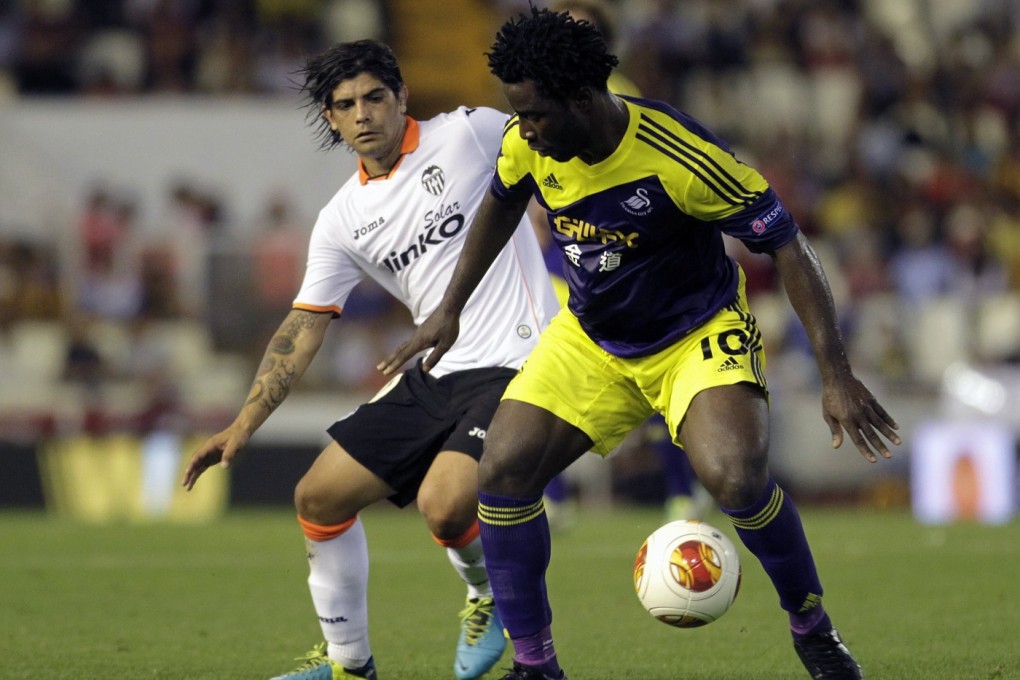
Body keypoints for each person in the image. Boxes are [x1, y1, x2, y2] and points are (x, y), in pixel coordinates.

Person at [380, 8, 901, 680]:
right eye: (519, 114)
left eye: (535, 113)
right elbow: (504, 200)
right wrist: (448, 310)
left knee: (736, 477)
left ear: (581, 97)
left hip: (694, 333)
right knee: (502, 471)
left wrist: (836, 374)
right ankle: (537, 667)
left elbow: (787, 243)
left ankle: (813, 630)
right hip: (593, 338)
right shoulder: (528, 143)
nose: (525, 130)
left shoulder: (676, 155)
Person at [182, 39, 558, 680]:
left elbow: (559, 143)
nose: (363, 115)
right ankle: (349, 667)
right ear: (331, 119)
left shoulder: (470, 134)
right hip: (439, 366)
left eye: (375, 98)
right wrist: (242, 425)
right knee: (319, 497)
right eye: (346, 104)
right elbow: (302, 327)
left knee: (446, 504)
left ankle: (487, 593)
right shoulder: (341, 219)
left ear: (402, 97)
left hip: (523, 357)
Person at [538, 0, 711, 528]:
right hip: (560, 265)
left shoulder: (625, 99)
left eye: (583, 32)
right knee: (541, 381)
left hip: (627, 266)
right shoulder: (533, 104)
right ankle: (552, 498)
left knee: (651, 385)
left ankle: (683, 492)